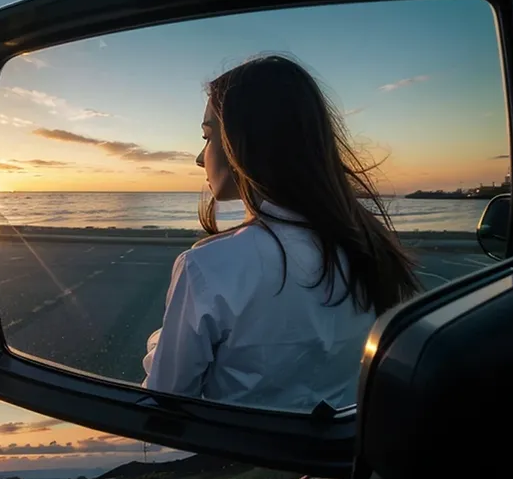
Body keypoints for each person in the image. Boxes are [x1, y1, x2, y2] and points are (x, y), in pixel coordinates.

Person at [141, 55, 421, 411]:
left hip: (241, 461)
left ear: (242, 143)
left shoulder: (208, 267)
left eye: (207, 136)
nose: (200, 158)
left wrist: (159, 344)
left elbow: (165, 396)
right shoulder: (368, 244)